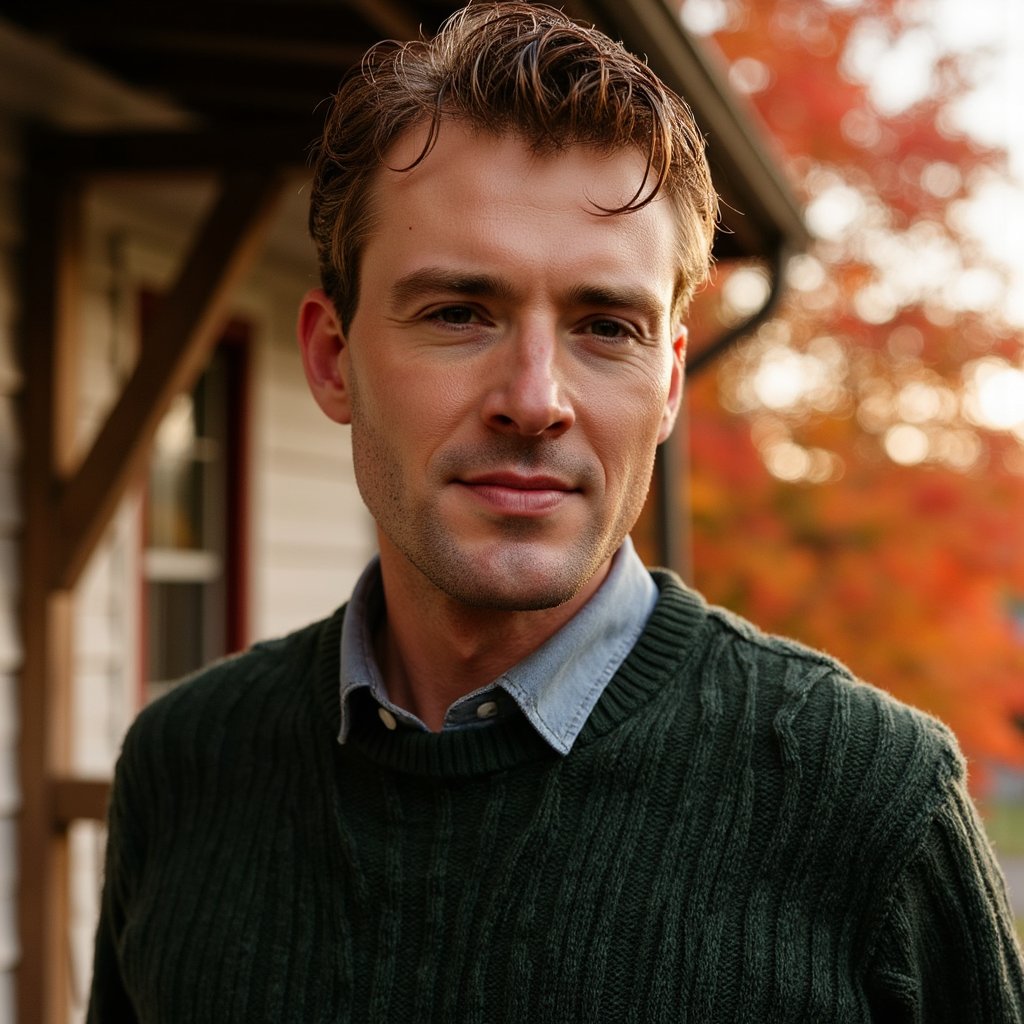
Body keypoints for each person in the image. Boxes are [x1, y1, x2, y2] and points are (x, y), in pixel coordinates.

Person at [88, 3, 1024, 1021]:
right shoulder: (184, 767)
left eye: (604, 325)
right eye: (457, 312)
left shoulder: (869, 802)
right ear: (332, 358)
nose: (535, 398)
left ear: (667, 383)